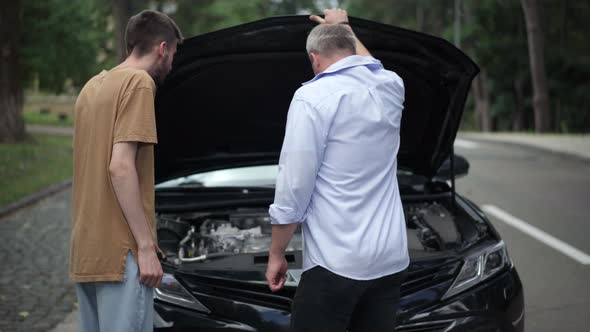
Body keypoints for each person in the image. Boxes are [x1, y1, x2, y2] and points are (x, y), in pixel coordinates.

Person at [265, 8, 409, 332]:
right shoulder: (391, 86)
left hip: (336, 265)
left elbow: (294, 187)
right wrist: (343, 27)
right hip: (390, 261)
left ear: (314, 59)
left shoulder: (311, 98)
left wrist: (277, 254)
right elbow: (371, 65)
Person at [69, 10, 182, 332]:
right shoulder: (139, 83)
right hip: (122, 254)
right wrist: (146, 247)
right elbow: (120, 167)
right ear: (162, 48)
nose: (172, 64)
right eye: (173, 54)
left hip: (86, 252)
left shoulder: (93, 86)